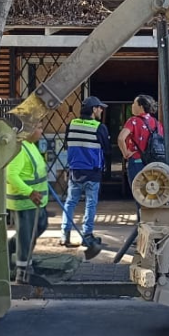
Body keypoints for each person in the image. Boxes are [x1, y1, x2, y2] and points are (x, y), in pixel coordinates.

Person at [62, 96, 110, 248]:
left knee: (70, 203)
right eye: (99, 107)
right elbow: (107, 150)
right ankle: (87, 236)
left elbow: (66, 145)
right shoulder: (99, 127)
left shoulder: (71, 124)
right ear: (94, 109)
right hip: (92, 172)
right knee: (90, 204)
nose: (101, 110)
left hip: (75, 171)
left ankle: (65, 235)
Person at [6, 114, 49, 283]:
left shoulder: (31, 145)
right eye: (39, 127)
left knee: (39, 227)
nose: (41, 131)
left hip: (36, 201)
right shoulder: (20, 150)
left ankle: (9, 250)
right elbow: (11, 175)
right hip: (25, 202)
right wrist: (29, 192)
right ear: (29, 130)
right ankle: (22, 271)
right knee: (26, 236)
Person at [119, 94, 164, 192]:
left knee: (138, 192)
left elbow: (121, 138)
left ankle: (140, 208)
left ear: (141, 106)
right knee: (153, 192)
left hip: (137, 161)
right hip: (155, 162)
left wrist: (125, 153)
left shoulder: (133, 121)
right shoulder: (157, 123)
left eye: (134, 103)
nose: (132, 106)